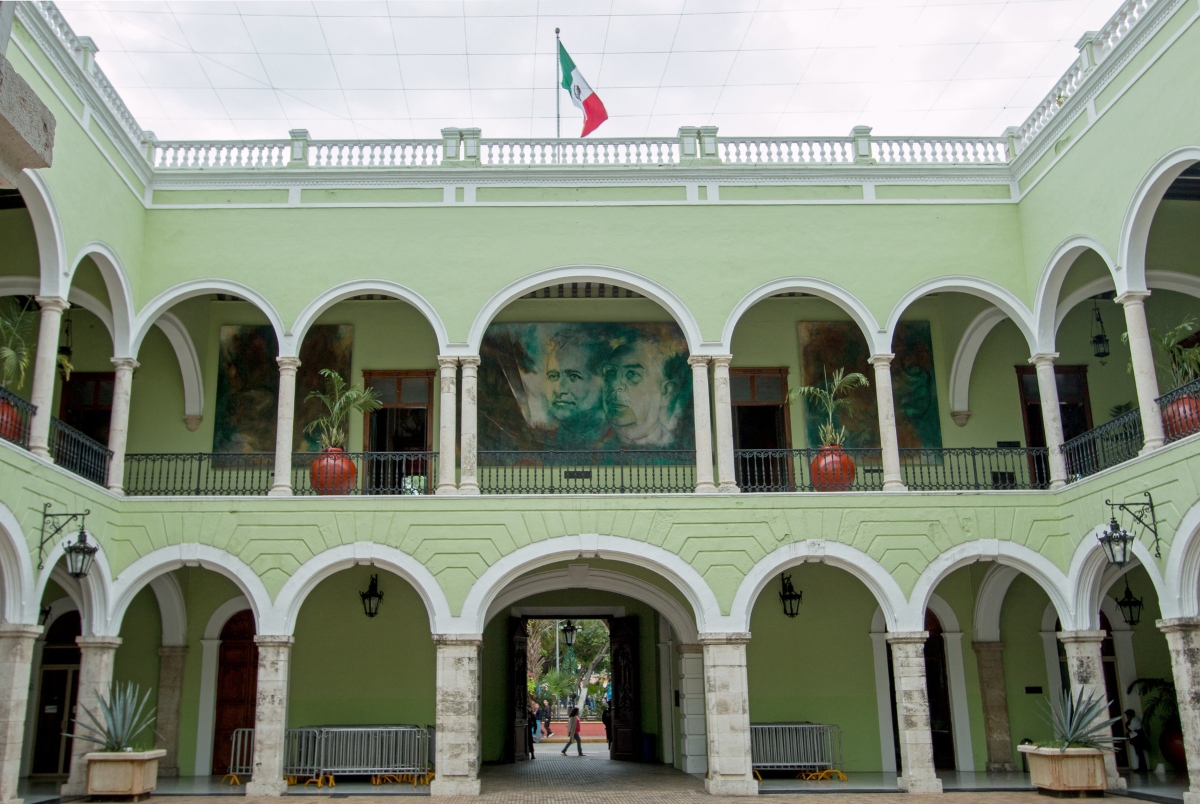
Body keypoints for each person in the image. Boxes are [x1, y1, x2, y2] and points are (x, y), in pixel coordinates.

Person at [601, 336, 689, 447]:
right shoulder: (596, 447)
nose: (615, 385)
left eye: (632, 374)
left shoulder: (679, 446)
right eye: (610, 373)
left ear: (666, 392)